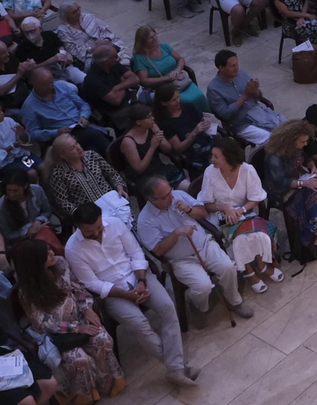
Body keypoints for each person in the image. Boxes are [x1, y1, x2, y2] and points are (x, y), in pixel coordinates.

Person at [64, 201, 199, 392]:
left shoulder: (115, 224)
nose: (96, 234)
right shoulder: (72, 248)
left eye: (98, 228)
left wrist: (142, 281)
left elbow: (136, 253)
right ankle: (176, 368)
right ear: (78, 228)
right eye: (89, 232)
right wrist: (127, 295)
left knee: (168, 307)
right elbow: (91, 283)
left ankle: (175, 369)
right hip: (112, 292)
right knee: (139, 324)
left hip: (137, 277)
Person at [10, 239, 125, 405]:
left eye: (49, 249)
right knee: (79, 360)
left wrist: (87, 309)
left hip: (79, 317)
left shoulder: (61, 264)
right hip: (59, 334)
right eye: (46, 254)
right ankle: (84, 398)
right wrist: (78, 328)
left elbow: (78, 288)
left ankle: (108, 384)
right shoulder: (26, 292)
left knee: (103, 339)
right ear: (35, 262)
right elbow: (42, 323)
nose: (51, 254)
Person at [136, 177, 253, 327]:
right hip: (181, 260)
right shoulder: (145, 220)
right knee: (202, 286)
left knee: (228, 267)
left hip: (204, 244)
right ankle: (198, 307)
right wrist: (176, 234)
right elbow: (158, 250)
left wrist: (190, 210)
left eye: (170, 191)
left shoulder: (178, 195)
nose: (171, 197)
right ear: (152, 200)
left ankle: (235, 301)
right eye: (165, 196)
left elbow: (203, 213)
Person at [199, 138, 284, 293]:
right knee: (238, 240)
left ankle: (262, 264)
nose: (212, 160)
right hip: (220, 215)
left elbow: (256, 198)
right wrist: (224, 208)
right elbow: (206, 204)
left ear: (229, 157)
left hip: (244, 213)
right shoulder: (210, 172)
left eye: (216, 156)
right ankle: (249, 272)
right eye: (212, 156)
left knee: (258, 235)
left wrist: (241, 210)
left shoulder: (247, 170)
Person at [256, 124, 317, 257]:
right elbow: (280, 181)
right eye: (302, 141)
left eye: (306, 141)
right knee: (315, 191)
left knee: (316, 188)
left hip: (299, 178)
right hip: (282, 189)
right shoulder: (274, 157)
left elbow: (306, 157)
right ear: (291, 140)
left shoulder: (296, 148)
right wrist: (303, 183)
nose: (305, 144)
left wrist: (312, 166)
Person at [44, 134, 130, 226]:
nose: (78, 148)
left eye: (76, 143)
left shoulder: (92, 156)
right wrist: (81, 214)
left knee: (128, 224)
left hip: (112, 203)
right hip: (89, 216)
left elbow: (112, 174)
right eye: (72, 148)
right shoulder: (59, 174)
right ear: (63, 156)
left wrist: (119, 187)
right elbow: (62, 203)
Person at [21, 70, 111, 155]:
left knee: (93, 149)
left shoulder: (61, 86)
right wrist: (55, 132)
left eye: (51, 82)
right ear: (34, 85)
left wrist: (83, 116)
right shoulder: (29, 106)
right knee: (94, 135)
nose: (50, 86)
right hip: (64, 136)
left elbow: (83, 104)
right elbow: (32, 133)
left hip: (81, 125)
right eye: (45, 85)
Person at [206, 50, 285, 144]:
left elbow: (259, 96)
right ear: (221, 68)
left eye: (237, 64)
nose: (236, 68)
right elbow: (225, 114)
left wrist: (255, 90)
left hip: (258, 114)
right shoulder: (214, 89)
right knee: (275, 141)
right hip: (241, 124)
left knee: (289, 128)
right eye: (232, 66)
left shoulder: (241, 74)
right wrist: (246, 95)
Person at [131, 26, 208, 112]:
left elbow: (180, 59)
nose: (154, 38)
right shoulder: (140, 58)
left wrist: (177, 71)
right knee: (188, 102)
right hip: (163, 87)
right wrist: (167, 78)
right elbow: (144, 81)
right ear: (143, 41)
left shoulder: (164, 46)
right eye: (150, 38)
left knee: (200, 95)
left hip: (179, 80)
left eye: (154, 35)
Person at [117, 105, 187, 191]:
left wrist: (160, 138)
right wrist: (152, 147)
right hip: (145, 178)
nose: (153, 118)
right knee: (170, 195)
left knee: (188, 187)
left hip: (159, 169)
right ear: (138, 122)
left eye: (152, 115)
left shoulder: (152, 127)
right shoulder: (128, 142)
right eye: (148, 117)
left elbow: (168, 149)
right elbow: (139, 169)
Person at [0, 171, 63, 256]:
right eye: (9, 190)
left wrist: (38, 221)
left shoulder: (37, 190)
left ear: (25, 186)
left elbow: (46, 210)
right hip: (20, 240)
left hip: (41, 229)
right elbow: (7, 235)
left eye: (16, 190)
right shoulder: (1, 207)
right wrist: (30, 229)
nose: (11, 194)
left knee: (46, 237)